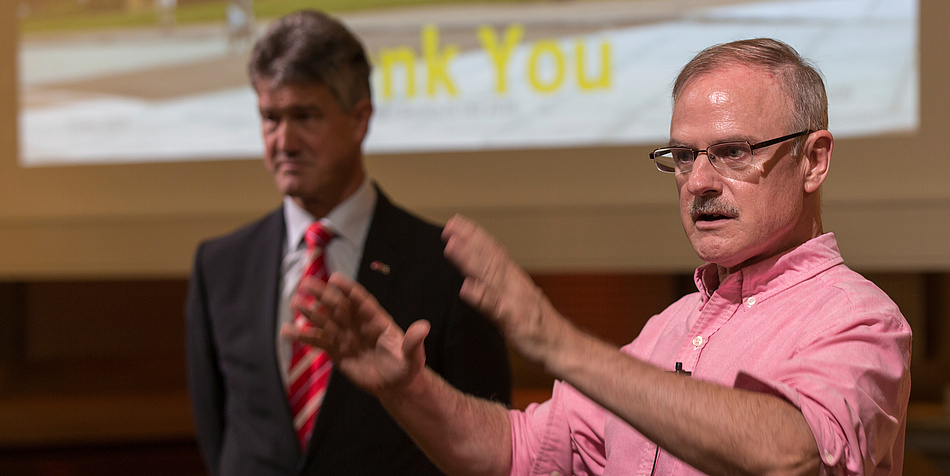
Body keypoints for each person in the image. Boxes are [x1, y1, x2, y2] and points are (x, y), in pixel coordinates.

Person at [286, 38, 912, 475]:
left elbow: (791, 453)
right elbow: (516, 453)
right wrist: (409, 389)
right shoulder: (668, 328)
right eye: (683, 156)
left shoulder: (859, 320)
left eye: (733, 151)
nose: (698, 182)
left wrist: (555, 340)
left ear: (814, 160)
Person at [185, 10, 511, 476]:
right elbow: (218, 437)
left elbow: (488, 442)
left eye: (305, 116)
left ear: (360, 120)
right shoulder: (219, 266)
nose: (284, 141)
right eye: (270, 118)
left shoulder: (443, 267)